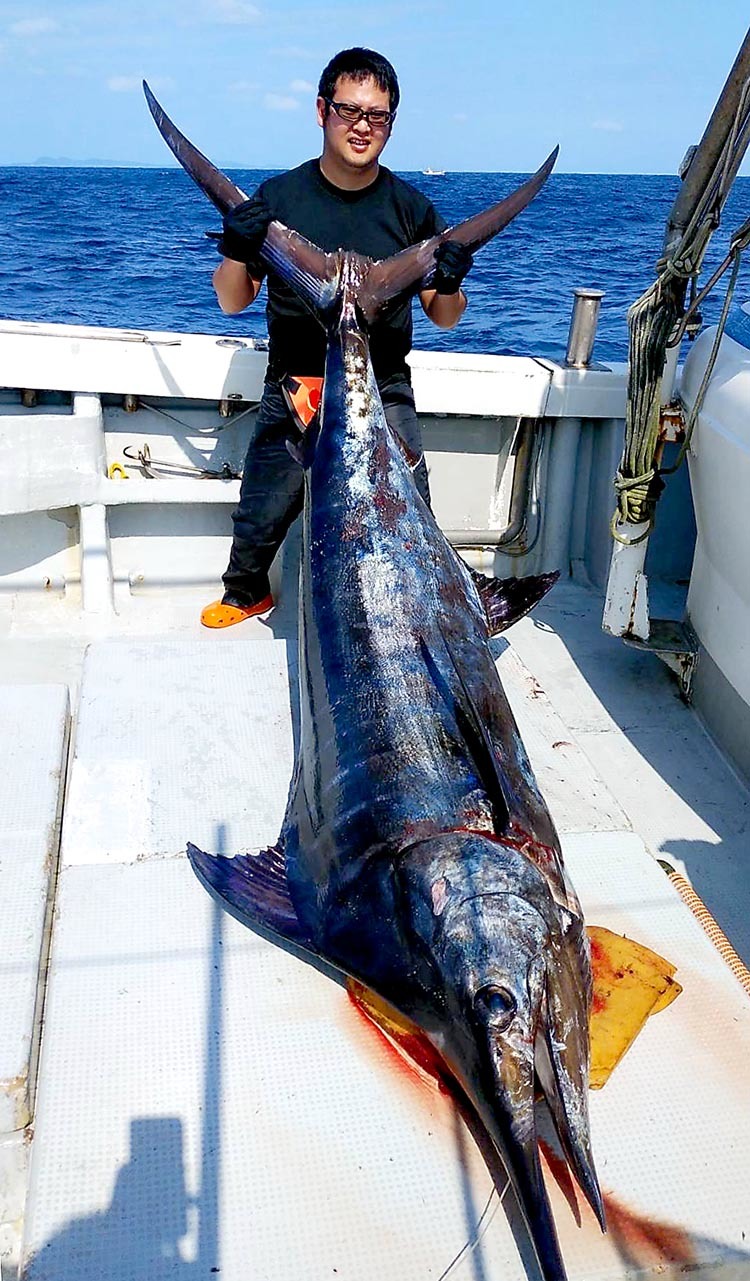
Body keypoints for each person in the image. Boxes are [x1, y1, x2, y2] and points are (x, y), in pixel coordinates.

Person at [201, 46, 473, 629]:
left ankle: (415, 606)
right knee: (265, 502)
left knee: (411, 503)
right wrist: (236, 247)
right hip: (296, 382)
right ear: (322, 111)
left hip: (380, 388)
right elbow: (231, 300)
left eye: (378, 115)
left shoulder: (411, 208)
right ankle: (246, 590)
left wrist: (449, 279)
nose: (362, 126)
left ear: (391, 124)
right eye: (350, 110)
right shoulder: (277, 199)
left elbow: (444, 315)